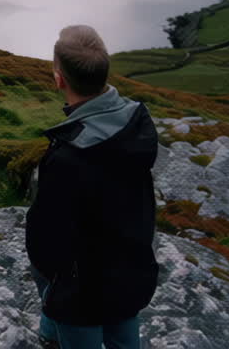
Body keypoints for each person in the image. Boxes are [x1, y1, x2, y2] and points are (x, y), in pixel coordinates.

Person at [25, 25, 159, 349]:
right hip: (131, 277)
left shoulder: (68, 156)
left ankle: (49, 335)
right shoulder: (136, 124)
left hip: (80, 296)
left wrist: (53, 285)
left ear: (59, 80)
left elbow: (45, 241)